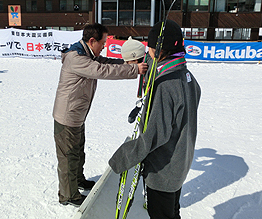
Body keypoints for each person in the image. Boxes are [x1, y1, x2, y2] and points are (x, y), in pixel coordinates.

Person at [109, 20, 201, 219]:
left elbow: (155, 134)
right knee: (172, 212)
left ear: (155, 50)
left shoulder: (166, 85)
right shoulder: (187, 77)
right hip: (179, 162)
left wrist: (123, 157)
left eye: (150, 46)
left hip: (164, 170)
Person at [53, 23, 148, 207]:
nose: (104, 46)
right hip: (67, 117)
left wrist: (127, 63)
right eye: (102, 42)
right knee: (68, 157)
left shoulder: (87, 53)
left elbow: (105, 62)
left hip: (77, 115)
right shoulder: (77, 58)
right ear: (91, 40)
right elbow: (101, 70)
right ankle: (68, 195)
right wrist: (134, 70)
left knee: (78, 152)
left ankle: (78, 181)